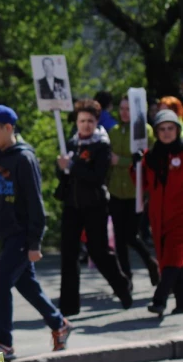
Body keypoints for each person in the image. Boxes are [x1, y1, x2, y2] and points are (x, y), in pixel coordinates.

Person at [0, 105, 71, 360]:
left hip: (22, 235)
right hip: (8, 233)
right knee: (27, 285)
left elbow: (35, 203)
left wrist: (35, 243)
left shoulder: (24, 158)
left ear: (8, 128)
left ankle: (4, 342)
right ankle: (59, 324)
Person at [56, 99, 132, 317]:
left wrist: (72, 166)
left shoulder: (102, 145)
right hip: (72, 205)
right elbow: (64, 174)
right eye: (82, 121)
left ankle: (122, 287)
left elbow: (96, 176)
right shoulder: (70, 143)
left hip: (95, 205)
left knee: (99, 252)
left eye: (90, 121)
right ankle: (68, 307)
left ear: (96, 121)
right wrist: (61, 167)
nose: (86, 125)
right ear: (77, 122)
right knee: (68, 255)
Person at [132, 110, 183, 317]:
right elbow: (141, 184)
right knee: (171, 260)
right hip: (159, 218)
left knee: (174, 257)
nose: (167, 132)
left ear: (178, 130)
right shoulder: (150, 157)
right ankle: (181, 303)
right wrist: (136, 165)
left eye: (171, 128)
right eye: (162, 129)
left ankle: (159, 299)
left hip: (181, 215)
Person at [107, 95, 159, 287]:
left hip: (135, 191)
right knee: (119, 238)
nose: (124, 112)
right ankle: (126, 277)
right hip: (115, 190)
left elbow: (146, 160)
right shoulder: (113, 131)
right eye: (121, 108)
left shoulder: (145, 131)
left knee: (131, 235)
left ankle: (151, 263)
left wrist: (120, 161)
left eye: (128, 109)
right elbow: (108, 158)